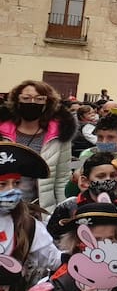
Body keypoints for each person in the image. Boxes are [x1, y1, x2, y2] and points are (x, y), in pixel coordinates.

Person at [0, 144, 60, 291]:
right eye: (2, 185)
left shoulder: (28, 224)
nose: (11, 191)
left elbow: (53, 259)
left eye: (15, 184)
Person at [0, 81, 77, 210]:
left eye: (39, 99)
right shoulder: (2, 132)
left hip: (41, 209)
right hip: (4, 207)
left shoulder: (60, 134)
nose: (32, 102)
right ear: (16, 100)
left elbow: (62, 178)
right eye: (26, 98)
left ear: (48, 103)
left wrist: (61, 210)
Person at [47, 151, 117, 241]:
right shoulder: (68, 206)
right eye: (101, 176)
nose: (108, 179)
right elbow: (52, 240)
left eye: (113, 175)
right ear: (85, 181)